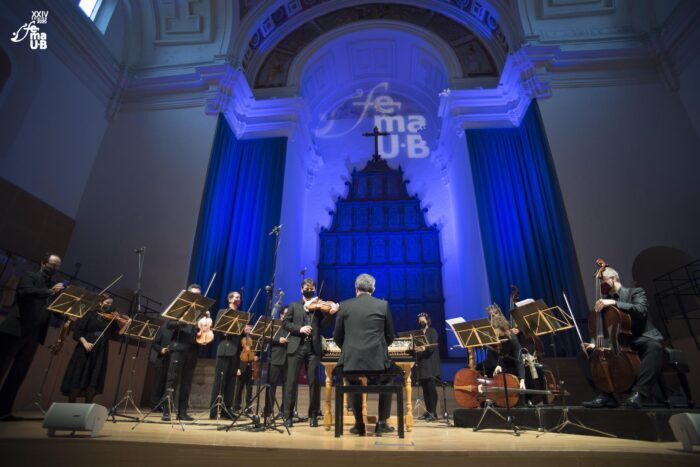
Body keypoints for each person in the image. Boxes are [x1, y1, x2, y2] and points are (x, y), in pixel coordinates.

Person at [580, 266, 664, 409]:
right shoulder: (603, 303)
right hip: (617, 343)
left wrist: (615, 303)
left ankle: (639, 393)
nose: (600, 286)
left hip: (641, 337)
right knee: (586, 355)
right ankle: (607, 395)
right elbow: (604, 331)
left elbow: (641, 310)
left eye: (603, 281)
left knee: (654, 347)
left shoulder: (635, 292)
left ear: (613, 278)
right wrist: (594, 344)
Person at [0, 253, 64, 421]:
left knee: (18, 374)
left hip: (34, 334)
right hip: (16, 329)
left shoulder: (52, 286)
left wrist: (67, 315)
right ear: (43, 263)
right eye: (53, 264)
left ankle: (4, 411)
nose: (55, 268)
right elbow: (26, 292)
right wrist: (49, 291)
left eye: (58, 266)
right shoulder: (30, 276)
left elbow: (51, 309)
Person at [332, 273, 395, 436]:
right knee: (388, 378)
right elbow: (390, 336)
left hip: (352, 360)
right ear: (373, 289)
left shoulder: (344, 305)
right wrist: (378, 350)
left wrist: (348, 349)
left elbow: (337, 336)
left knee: (352, 380)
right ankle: (381, 423)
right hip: (376, 360)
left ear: (356, 288)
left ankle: (359, 424)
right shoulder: (383, 305)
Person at [282, 278, 337, 427]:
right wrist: (299, 329)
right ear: (301, 289)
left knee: (314, 382)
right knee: (291, 382)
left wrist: (331, 314)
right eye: (306, 287)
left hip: (313, 349)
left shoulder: (318, 308)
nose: (309, 289)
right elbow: (285, 323)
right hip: (296, 347)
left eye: (312, 287)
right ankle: (287, 415)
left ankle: (313, 415)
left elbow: (323, 325)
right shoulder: (294, 306)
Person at [60, 294, 130, 403]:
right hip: (85, 347)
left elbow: (117, 335)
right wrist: (85, 343)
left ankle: (88, 404)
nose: (109, 306)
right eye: (107, 303)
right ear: (100, 303)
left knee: (94, 374)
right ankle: (71, 403)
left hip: (101, 349)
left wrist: (126, 324)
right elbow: (78, 331)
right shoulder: (89, 314)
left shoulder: (110, 319)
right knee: (79, 372)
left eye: (111, 304)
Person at [161, 283, 202, 421]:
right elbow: (169, 324)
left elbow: (200, 331)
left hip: (193, 349)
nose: (196, 297)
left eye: (198, 295)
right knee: (172, 380)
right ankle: (167, 411)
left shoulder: (199, 311)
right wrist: (182, 322)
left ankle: (182, 412)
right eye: (193, 294)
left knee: (187, 382)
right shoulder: (180, 306)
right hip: (179, 347)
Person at [209, 290, 251, 419]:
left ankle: (227, 410)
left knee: (232, 382)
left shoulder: (242, 316)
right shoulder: (223, 312)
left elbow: (243, 337)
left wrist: (246, 331)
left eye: (239, 297)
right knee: (220, 382)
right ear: (229, 299)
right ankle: (214, 411)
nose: (238, 299)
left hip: (236, 352)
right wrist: (230, 329)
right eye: (235, 297)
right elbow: (217, 330)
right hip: (225, 350)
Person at [479, 304, 526, 392]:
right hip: (498, 362)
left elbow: (519, 360)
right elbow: (490, 355)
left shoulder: (512, 338)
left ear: (503, 329)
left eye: (497, 332)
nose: (496, 335)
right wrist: (496, 365)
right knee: (481, 367)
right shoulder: (492, 336)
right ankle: (486, 396)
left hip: (510, 363)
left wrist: (522, 380)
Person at [264, 306, 289, 421]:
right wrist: (279, 340)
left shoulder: (292, 326)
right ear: (281, 315)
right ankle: (268, 412)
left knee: (287, 387)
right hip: (276, 358)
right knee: (271, 386)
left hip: (289, 359)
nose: (287, 316)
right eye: (285, 314)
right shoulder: (275, 324)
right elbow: (266, 337)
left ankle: (285, 412)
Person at [415, 312, 440, 421]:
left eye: (423, 321)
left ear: (427, 321)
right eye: (420, 321)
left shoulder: (432, 331)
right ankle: (428, 411)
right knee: (425, 389)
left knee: (431, 389)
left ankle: (433, 413)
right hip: (422, 364)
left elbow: (432, 347)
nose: (421, 322)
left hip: (431, 364)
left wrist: (423, 348)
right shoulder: (418, 333)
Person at [149, 316, 173, 411]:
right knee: (158, 383)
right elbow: (155, 343)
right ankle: (154, 405)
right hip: (162, 359)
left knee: (167, 384)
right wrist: (161, 350)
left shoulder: (177, 332)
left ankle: (163, 405)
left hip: (172, 360)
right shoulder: (163, 329)